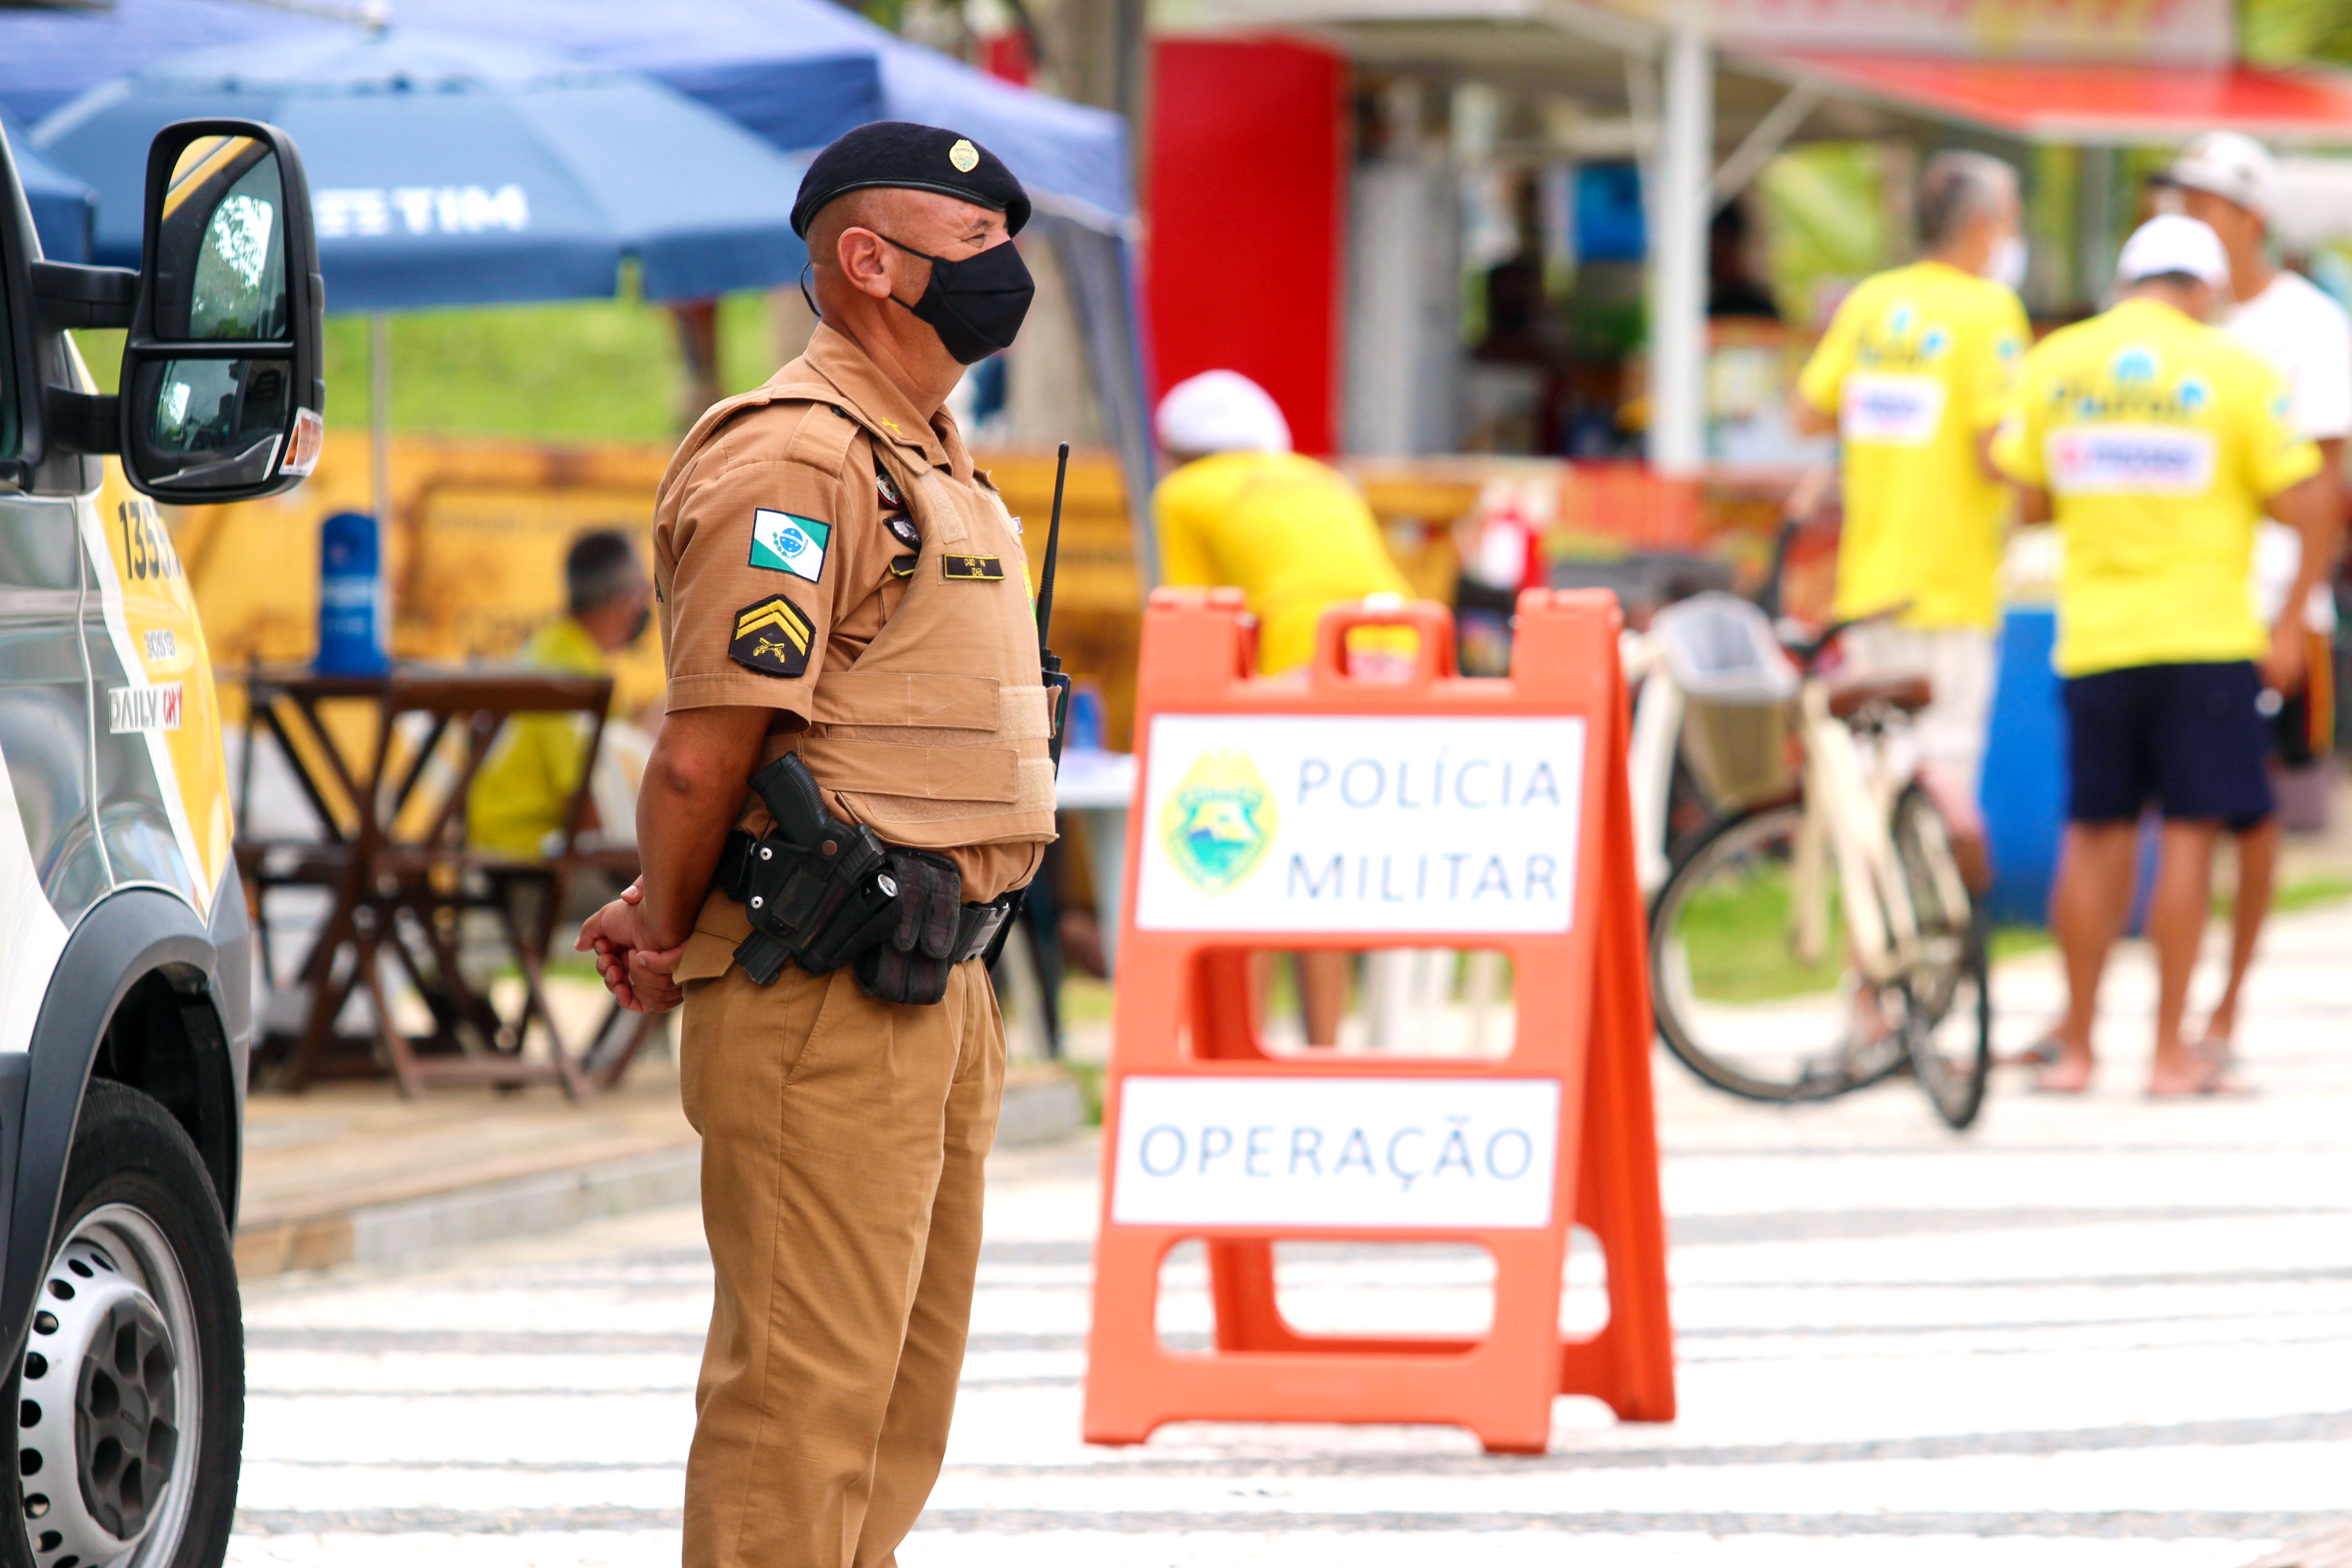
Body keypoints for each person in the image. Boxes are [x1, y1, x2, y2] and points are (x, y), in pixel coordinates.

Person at [573, 121, 1056, 1566]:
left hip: (940, 983)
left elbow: (847, 735)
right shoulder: (796, 460)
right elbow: (706, 749)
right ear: (869, 262)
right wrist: (667, 918)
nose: (1004, 269)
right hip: (827, 988)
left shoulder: (934, 460)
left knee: (896, 1411)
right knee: (802, 1403)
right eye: (973, 243)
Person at [1992, 214, 2337, 1097]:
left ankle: (2076, 1047)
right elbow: (2306, 501)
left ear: (2127, 282)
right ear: (2206, 290)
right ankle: (2168, 1055)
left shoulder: (2057, 363)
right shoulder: (2235, 370)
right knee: (2188, 835)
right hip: (2206, 639)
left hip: (2095, 638)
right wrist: (2290, 616)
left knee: (2092, 833)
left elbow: (2028, 501)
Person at [2160, 131, 2351, 1062]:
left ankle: (2224, 1009)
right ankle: (2168, 1018)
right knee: (2177, 815)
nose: (2186, 219)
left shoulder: (2308, 324)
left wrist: (2291, 616)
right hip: (2174, 607)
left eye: (2202, 203)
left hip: (2270, 608)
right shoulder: (2172, 320)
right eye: (2180, 203)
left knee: (2251, 813)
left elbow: (2327, 485)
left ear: (2249, 218)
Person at [1791, 150, 2033, 877]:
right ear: (1984, 227)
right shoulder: (1988, 311)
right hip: (1950, 587)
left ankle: (1874, 933)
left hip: (1869, 585)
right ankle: (1934, 923)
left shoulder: (1871, 304)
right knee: (1944, 769)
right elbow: (1995, 452)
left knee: (1876, 770)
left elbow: (1808, 413)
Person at [1152, 368, 1410, 1046]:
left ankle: (1244, 1051)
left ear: (1176, 450)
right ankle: (1324, 1048)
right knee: (1320, 859)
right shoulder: (1323, 478)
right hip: (1405, 655)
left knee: (1250, 851)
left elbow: (1196, 617)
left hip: (1303, 659)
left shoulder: (1182, 493)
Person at [467, 530, 652, 858]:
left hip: (500, 844)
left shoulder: (550, 650)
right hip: (526, 856)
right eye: (645, 592)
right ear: (626, 599)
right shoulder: (571, 679)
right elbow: (584, 798)